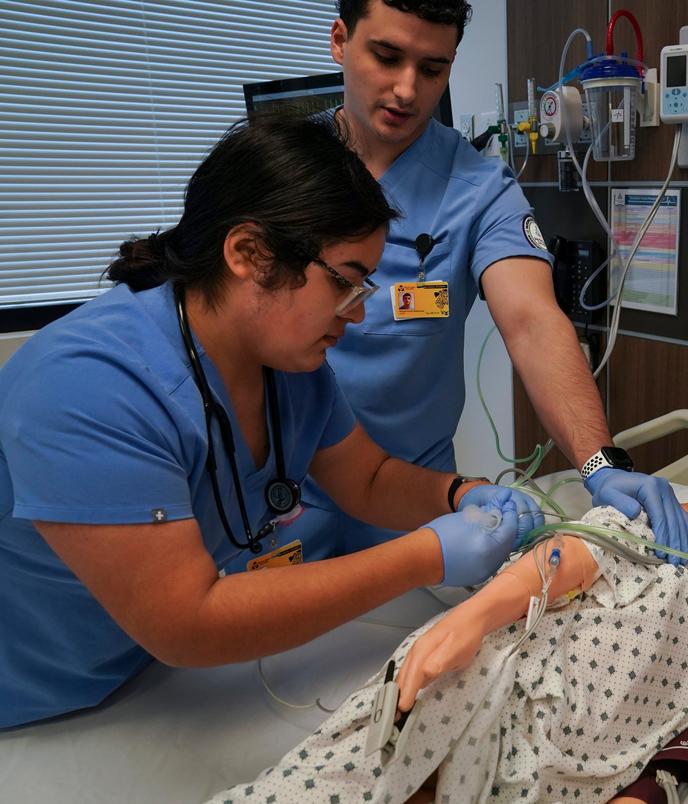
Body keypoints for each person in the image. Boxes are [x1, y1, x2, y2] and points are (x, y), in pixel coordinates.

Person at [0, 115, 545, 729]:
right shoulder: (88, 387)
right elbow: (187, 622)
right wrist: (428, 555)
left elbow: (366, 479)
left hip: (143, 676)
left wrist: (460, 494)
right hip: (33, 700)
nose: (360, 316)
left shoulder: (289, 367)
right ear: (249, 254)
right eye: (345, 284)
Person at [289, 0, 688, 565]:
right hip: (280, 498)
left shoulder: (479, 187)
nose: (407, 89)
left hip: (414, 497)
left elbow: (532, 322)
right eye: (387, 57)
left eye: (432, 69)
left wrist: (600, 464)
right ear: (340, 40)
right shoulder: (278, 169)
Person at [208, 503, 688, 804]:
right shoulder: (636, 541)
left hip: (563, 765)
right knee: (377, 768)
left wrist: (643, 796)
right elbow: (559, 561)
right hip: (495, 682)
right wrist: (474, 616)